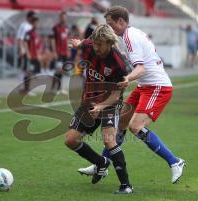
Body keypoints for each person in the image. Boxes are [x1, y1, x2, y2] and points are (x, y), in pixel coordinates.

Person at [78, 5, 185, 184]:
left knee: (135, 127)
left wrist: (127, 78)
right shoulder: (130, 34)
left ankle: (175, 162)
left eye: (110, 24)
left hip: (157, 87)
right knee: (121, 124)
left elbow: (141, 68)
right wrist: (82, 42)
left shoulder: (129, 37)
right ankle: (101, 165)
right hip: (145, 86)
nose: (108, 28)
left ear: (121, 22)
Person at [65, 24, 133, 194]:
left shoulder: (119, 64)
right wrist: (76, 43)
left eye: (100, 45)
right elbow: (82, 43)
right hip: (89, 101)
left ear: (109, 43)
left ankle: (126, 186)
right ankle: (101, 163)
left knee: (109, 140)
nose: (96, 48)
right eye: (94, 44)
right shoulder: (90, 45)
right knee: (71, 140)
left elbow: (116, 96)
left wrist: (101, 106)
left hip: (110, 103)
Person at [16, 10, 35, 94]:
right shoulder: (24, 26)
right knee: (26, 70)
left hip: (29, 50)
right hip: (24, 50)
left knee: (28, 70)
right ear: (29, 17)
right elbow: (20, 38)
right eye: (32, 17)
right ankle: (23, 88)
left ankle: (26, 88)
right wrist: (20, 49)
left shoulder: (31, 26)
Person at [50, 11, 69, 94]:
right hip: (58, 52)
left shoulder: (67, 27)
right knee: (58, 70)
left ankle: (59, 88)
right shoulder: (55, 28)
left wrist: (68, 49)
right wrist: (54, 51)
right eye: (62, 17)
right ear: (60, 18)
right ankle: (54, 87)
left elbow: (68, 39)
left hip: (65, 52)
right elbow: (52, 39)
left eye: (65, 17)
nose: (63, 18)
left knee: (62, 70)